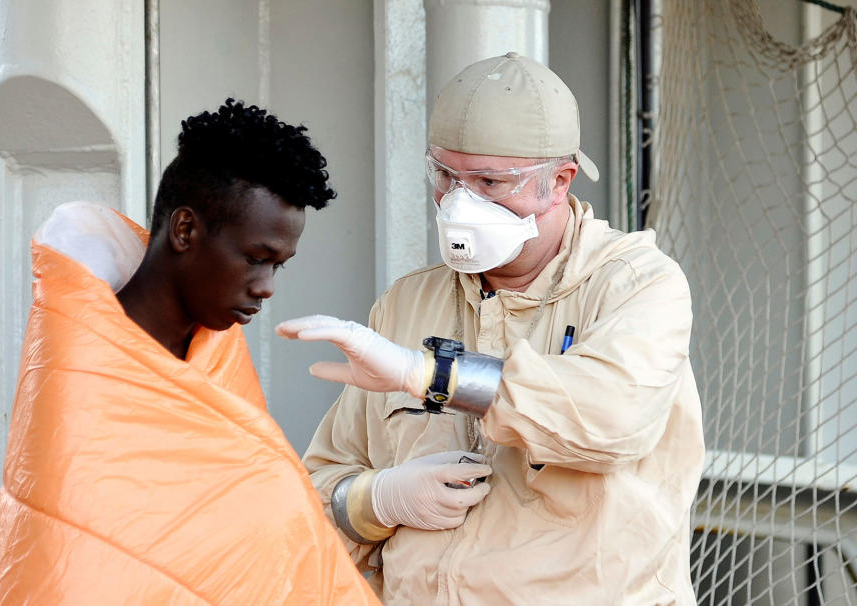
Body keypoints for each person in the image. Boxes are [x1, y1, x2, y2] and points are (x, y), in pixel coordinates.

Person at [277, 53, 705, 604]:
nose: (460, 202)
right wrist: (378, 501)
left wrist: (426, 373)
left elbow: (610, 419)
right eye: (446, 176)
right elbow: (321, 486)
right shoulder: (408, 303)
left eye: (489, 181)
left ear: (559, 181)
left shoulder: (636, 286)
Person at [0, 99, 379, 605]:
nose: (266, 287)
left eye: (279, 266)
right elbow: (69, 564)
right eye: (256, 259)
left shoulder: (217, 354)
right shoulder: (83, 369)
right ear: (186, 230)